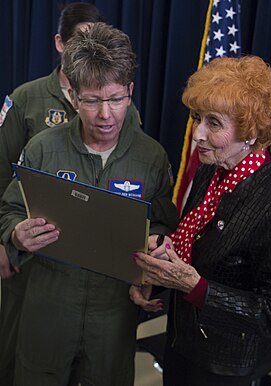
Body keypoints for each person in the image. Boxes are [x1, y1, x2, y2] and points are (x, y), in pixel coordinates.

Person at [0, 22, 178, 385]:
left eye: (115, 99)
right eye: (92, 101)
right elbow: (11, 211)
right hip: (48, 307)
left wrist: (157, 246)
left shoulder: (152, 156)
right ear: (73, 96)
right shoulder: (43, 148)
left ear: (130, 91)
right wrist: (15, 236)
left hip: (113, 314)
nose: (105, 115)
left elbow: (162, 224)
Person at [130, 56, 271, 386]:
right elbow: (195, 245)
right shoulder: (211, 170)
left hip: (223, 367)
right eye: (197, 117)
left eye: (213, 123)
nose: (197, 134)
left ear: (250, 132)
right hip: (181, 341)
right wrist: (156, 270)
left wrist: (196, 288)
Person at [0, 4, 108, 384]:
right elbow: (1, 174)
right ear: (60, 43)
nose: (88, 49)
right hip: (29, 253)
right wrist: (2, 242)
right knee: (18, 352)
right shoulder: (26, 99)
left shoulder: (114, 104)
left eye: (96, 40)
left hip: (86, 263)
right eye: (80, 39)